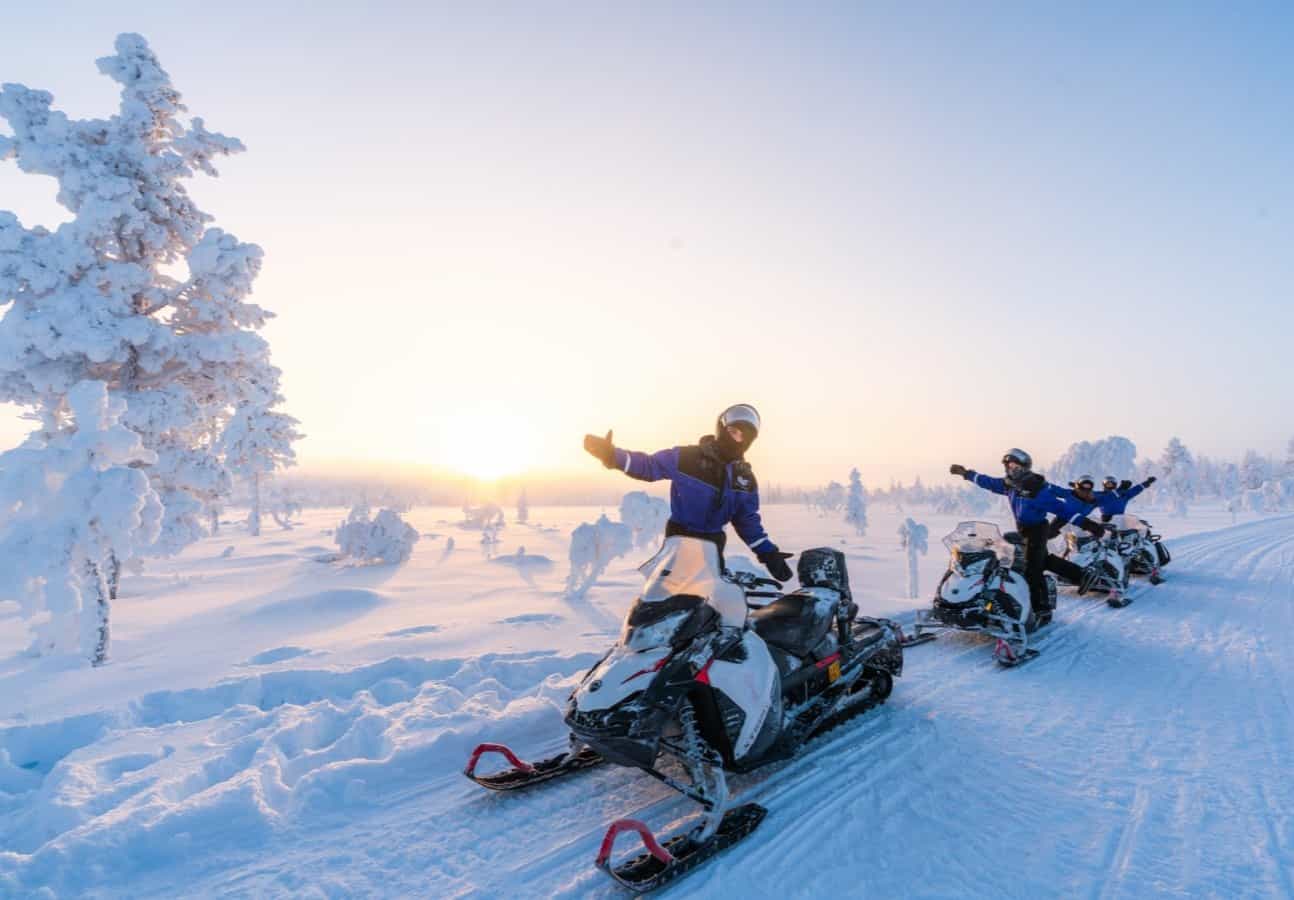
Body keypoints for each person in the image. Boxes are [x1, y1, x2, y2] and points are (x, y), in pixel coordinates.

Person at [583, 404, 795, 583]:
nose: (738, 439)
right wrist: (612, 455)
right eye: (733, 431)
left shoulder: (744, 479)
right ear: (721, 429)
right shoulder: (687, 458)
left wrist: (768, 554)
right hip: (679, 543)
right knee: (663, 605)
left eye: (744, 437)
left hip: (712, 548)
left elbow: (748, 521)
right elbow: (649, 466)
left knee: (712, 611)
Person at [950, 450, 1104, 622]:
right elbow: (989, 482)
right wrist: (966, 473)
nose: (1010, 469)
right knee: (1043, 560)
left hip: (1037, 530)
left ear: (1024, 467)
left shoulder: (1036, 489)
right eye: (1008, 465)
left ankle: (1042, 610)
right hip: (1023, 529)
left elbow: (1063, 510)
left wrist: (1089, 524)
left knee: (1033, 569)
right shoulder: (1009, 484)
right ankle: (1082, 575)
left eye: (1014, 465)